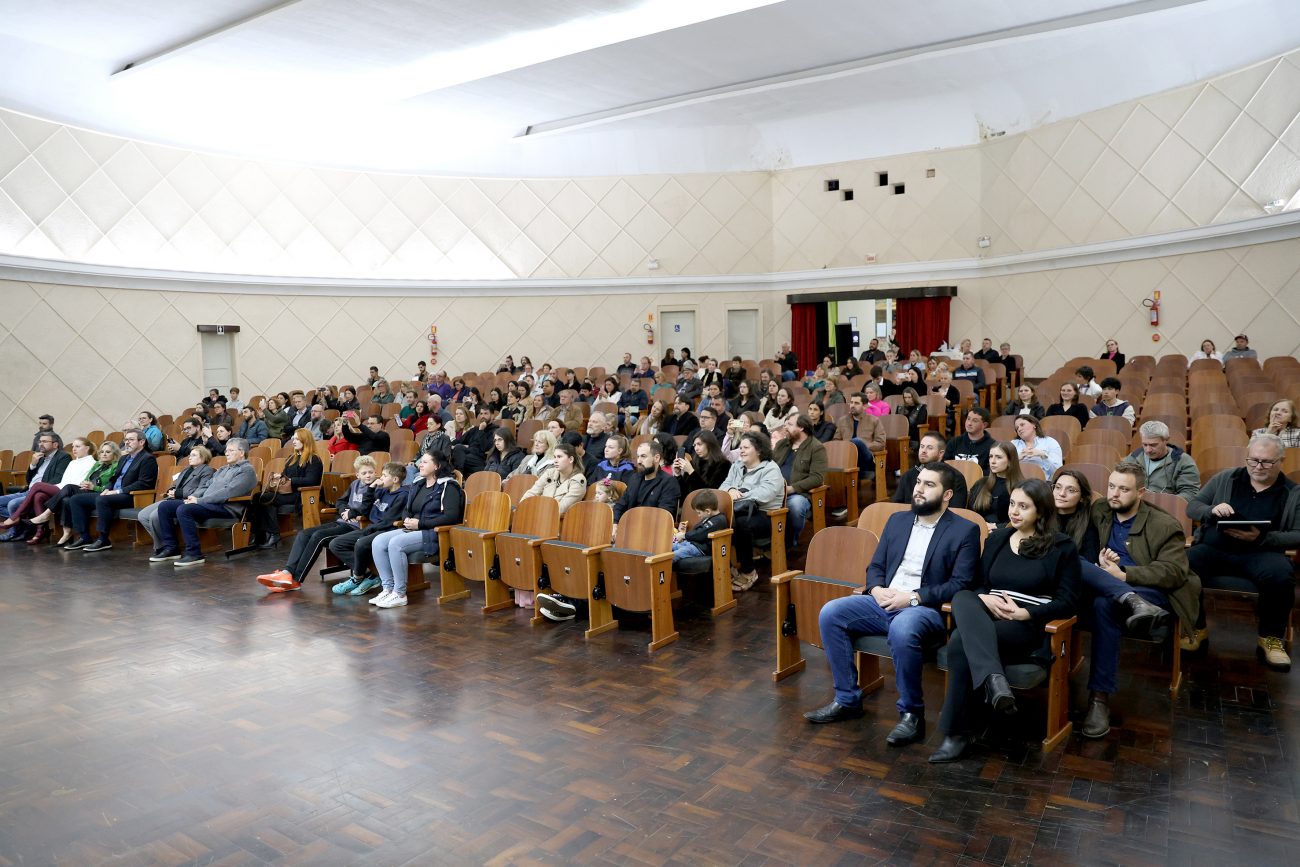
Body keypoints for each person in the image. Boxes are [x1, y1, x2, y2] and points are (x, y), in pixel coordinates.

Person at [804, 463, 980, 748]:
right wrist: (875, 589)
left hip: (925, 608)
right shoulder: (897, 520)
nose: (919, 489)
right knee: (830, 613)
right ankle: (847, 699)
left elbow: (960, 583)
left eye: (929, 485)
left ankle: (912, 714)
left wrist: (911, 597)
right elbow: (876, 565)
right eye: (919, 482)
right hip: (883, 600)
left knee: (902, 628)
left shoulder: (964, 531)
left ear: (947, 494)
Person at [929, 479, 1080, 763]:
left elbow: (1070, 601)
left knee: (961, 642)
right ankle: (994, 681)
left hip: (1025, 624)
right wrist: (984, 599)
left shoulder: (1061, 547)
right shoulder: (997, 539)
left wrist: (1027, 613)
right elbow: (976, 586)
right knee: (962, 597)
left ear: (1042, 511)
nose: (1014, 511)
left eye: (1024, 506)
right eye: (1012, 503)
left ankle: (957, 734)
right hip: (987, 614)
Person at [1076, 461, 1199, 738]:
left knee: (1103, 605)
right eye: (1111, 487)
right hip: (1107, 584)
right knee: (1076, 572)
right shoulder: (1101, 510)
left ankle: (1099, 700)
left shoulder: (1165, 525)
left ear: (1141, 492)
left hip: (1148, 589)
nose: (1114, 494)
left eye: (1123, 489)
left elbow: (1175, 571)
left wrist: (1125, 575)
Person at [1185, 434, 1300, 668]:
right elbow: (1193, 507)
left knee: (1281, 575)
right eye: (1253, 460)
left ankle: (1270, 639)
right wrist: (1212, 510)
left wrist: (1263, 538)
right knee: (1183, 564)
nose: (1258, 467)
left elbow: (1298, 534)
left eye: (1266, 462)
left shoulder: (1292, 492)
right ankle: (1195, 629)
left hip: (1261, 552)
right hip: (1216, 548)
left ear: (1281, 461)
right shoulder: (1226, 478)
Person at [368, 451, 465, 609]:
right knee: (378, 541)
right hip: (413, 529)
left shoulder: (449, 486)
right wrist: (406, 519)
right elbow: (408, 508)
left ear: (437, 466)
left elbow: (451, 517)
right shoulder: (418, 483)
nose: (420, 464)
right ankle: (388, 588)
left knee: (395, 543)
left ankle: (399, 593)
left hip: (434, 533)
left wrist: (420, 524)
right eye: (421, 461)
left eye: (425, 462)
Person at [149, 438, 258, 568]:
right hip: (208, 504)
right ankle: (171, 548)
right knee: (165, 506)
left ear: (242, 453)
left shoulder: (246, 470)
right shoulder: (223, 469)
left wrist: (199, 501)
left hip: (226, 508)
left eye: (231, 450)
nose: (226, 453)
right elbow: (206, 486)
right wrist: (192, 497)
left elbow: (228, 492)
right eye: (226, 450)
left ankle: (194, 553)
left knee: (184, 510)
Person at [64, 429, 159, 552]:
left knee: (102, 500)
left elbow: (144, 484)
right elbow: (114, 478)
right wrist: (107, 488)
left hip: (131, 495)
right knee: (76, 499)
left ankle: (103, 539)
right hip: (113, 493)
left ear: (141, 442)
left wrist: (118, 491)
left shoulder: (147, 458)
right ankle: (84, 537)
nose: (127, 442)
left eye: (131, 440)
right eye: (126, 440)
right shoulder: (124, 458)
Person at [327, 462, 409, 597]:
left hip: (386, 531)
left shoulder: (402, 495)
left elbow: (388, 521)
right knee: (336, 544)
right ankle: (369, 575)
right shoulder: (382, 490)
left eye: (384, 475)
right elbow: (364, 510)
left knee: (361, 543)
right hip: (371, 528)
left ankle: (357, 578)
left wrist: (367, 531)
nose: (380, 478)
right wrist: (371, 488)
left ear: (395, 479)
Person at [719, 432, 784, 592]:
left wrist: (739, 494)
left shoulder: (771, 468)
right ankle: (728, 569)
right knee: (718, 522)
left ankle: (749, 572)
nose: (741, 451)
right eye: (740, 447)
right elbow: (723, 488)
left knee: (740, 525)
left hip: (766, 515)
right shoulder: (737, 466)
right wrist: (731, 489)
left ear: (759, 450)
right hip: (738, 511)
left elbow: (764, 494)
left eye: (746, 447)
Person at [0, 437, 96, 544]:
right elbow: (63, 481)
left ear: (87, 448)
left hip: (71, 490)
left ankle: (15, 517)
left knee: (37, 486)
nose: (74, 448)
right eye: (73, 446)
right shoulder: (73, 462)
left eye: (77, 446)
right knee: (39, 496)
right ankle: (40, 532)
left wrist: (50, 487)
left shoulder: (91, 463)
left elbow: (77, 483)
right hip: (61, 488)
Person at [250, 429, 323, 549]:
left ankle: (273, 534)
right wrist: (280, 478)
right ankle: (261, 534)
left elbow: (311, 480)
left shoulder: (313, 459)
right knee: (257, 496)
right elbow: (285, 475)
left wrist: (290, 480)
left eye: (297, 439)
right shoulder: (291, 458)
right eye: (293, 438)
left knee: (266, 499)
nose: (293, 441)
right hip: (286, 492)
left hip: (299, 494)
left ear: (306, 440)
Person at [136, 446, 216, 554]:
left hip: (186, 501)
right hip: (172, 499)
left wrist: (178, 493)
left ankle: (167, 547)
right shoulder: (187, 469)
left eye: (193, 455)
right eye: (189, 455)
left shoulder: (207, 471)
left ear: (203, 458)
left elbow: (201, 491)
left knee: (154, 516)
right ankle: (164, 544)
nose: (189, 457)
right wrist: (171, 490)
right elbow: (176, 484)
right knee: (142, 515)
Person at [771, 414, 827, 551]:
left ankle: (788, 543)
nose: (785, 427)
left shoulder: (816, 448)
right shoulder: (782, 444)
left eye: (789, 424)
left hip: (800, 494)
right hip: (775, 490)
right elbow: (768, 465)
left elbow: (817, 478)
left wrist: (792, 488)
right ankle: (767, 543)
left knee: (795, 506)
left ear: (801, 427)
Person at [0, 432, 71, 537]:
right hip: (28, 491)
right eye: (40, 441)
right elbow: (29, 480)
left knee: (13, 504)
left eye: (45, 441)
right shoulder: (40, 458)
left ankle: (13, 532)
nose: (41, 444)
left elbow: (58, 478)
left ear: (55, 444)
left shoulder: (63, 457)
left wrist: (38, 488)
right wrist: (32, 464)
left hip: (41, 492)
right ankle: (25, 522)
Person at [1128, 420, 1200, 500]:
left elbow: (1190, 493)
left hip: (1167, 508)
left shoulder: (1183, 461)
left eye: (1153, 445)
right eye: (1145, 444)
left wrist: (1162, 501)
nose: (1148, 450)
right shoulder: (1134, 457)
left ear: (1166, 440)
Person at [894, 432, 968, 509]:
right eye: (922, 446)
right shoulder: (908, 475)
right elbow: (896, 507)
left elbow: (956, 512)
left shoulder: (956, 478)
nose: (923, 451)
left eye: (929, 448)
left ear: (941, 454)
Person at [968, 441, 1024, 527]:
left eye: (998, 457)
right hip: (978, 530)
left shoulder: (1020, 487)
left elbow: (1023, 519)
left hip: (1004, 534)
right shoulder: (981, 483)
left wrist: (996, 527)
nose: (993, 461)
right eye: (991, 456)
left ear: (1010, 461)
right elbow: (970, 513)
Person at [520, 443, 587, 515]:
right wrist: (521, 507)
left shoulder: (578, 480)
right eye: (554, 457)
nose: (555, 460)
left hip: (559, 521)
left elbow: (562, 508)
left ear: (571, 459)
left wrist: (536, 511)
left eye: (559, 457)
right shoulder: (550, 473)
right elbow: (532, 492)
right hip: (540, 514)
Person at [835, 393, 886, 480]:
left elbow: (881, 443)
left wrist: (863, 446)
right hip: (847, 457)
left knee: (857, 442)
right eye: (851, 402)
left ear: (865, 406)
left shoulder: (874, 421)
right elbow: (836, 440)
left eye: (856, 403)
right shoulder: (842, 421)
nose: (852, 405)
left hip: (866, 458)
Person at [671, 490, 729, 563]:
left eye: (699, 513)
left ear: (708, 511)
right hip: (690, 544)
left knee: (675, 555)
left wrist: (684, 536)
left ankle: (660, 571)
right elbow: (696, 530)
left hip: (699, 549)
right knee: (668, 546)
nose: (698, 515)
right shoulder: (708, 517)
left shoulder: (719, 520)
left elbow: (700, 534)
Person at [947, 407, 995, 473]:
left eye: (975, 421)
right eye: (968, 419)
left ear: (984, 425)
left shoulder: (992, 446)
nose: (969, 423)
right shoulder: (954, 442)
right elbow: (945, 465)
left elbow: (989, 471)